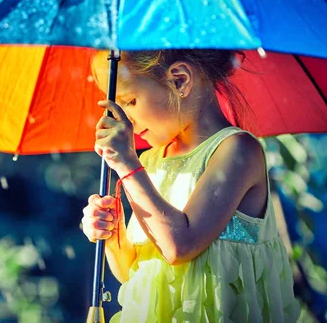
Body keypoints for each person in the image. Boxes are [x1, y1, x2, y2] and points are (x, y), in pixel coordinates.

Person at [81, 49, 300, 322]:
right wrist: (113, 238)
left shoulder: (237, 151)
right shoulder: (148, 162)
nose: (125, 121)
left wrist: (127, 165)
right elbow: (134, 274)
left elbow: (179, 246)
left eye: (130, 101)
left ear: (180, 80)